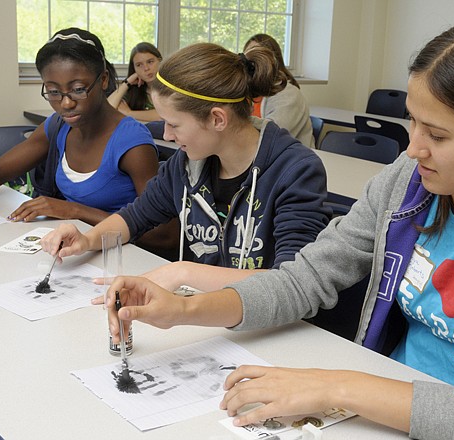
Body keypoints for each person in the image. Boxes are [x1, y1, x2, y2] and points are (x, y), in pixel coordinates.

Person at [97, 17, 454, 439]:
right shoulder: (406, 186)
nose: (412, 149)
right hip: (385, 407)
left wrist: (339, 386)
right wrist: (185, 308)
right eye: (412, 121)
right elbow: (305, 278)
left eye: (439, 135)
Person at [41, 42, 331, 293]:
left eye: (174, 124)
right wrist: (87, 239)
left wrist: (181, 273)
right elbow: (136, 216)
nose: (166, 135)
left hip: (268, 329)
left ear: (218, 119)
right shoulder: (187, 163)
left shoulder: (295, 172)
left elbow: (291, 281)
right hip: (204, 312)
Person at [0, 28, 161, 227]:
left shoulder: (131, 143)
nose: (66, 103)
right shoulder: (58, 126)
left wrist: (75, 211)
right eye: (53, 92)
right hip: (73, 249)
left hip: (122, 260)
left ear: (104, 80)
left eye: (78, 89)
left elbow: (162, 233)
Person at [243, 34, 314, 148]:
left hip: (292, 160)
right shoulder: (247, 91)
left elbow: (272, 135)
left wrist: (236, 121)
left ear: (273, 61)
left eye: (260, 56)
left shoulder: (288, 93)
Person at [107, 42, 162, 122]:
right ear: (134, 69)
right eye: (139, 65)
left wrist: (129, 113)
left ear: (160, 60)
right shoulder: (134, 90)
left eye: (150, 62)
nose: (146, 68)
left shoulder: (172, 86)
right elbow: (108, 108)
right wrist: (127, 82)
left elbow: (164, 115)